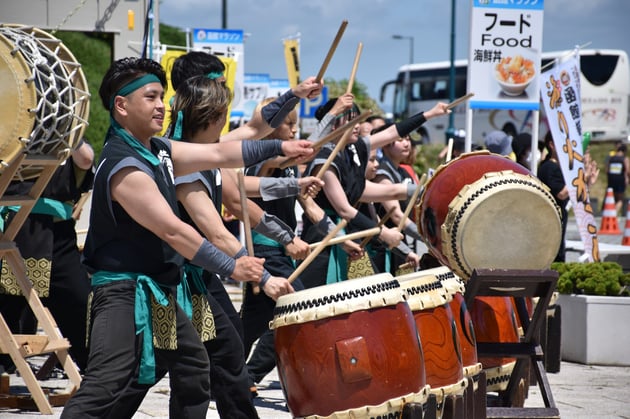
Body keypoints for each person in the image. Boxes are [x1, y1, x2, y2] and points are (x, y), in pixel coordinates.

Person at [60, 57, 315, 418]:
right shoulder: (125, 166)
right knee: (108, 383)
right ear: (122, 105)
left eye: (161, 96)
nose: (161, 104)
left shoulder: (157, 150)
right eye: (150, 97)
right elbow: (174, 231)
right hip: (123, 294)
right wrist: (235, 265)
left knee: (194, 366)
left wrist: (280, 148)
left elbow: (218, 151)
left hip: (157, 292)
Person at [299, 95, 450, 289]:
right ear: (334, 124)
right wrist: (383, 234)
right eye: (350, 120)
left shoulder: (351, 150)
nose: (357, 125)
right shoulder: (325, 160)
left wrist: (430, 114)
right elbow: (345, 210)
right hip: (323, 238)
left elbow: (392, 134)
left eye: (358, 119)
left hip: (347, 238)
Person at [0, 139, 95, 374]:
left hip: (58, 236)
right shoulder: (10, 134)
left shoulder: (66, 139)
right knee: (8, 310)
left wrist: (65, 129)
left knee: (81, 305)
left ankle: (97, 370)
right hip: (15, 231)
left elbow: (86, 158)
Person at [372, 122, 422, 274]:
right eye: (400, 140)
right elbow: (396, 215)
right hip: (384, 244)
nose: (406, 143)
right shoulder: (382, 173)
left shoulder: (402, 172)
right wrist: (426, 238)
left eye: (407, 139)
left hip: (399, 239)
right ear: (385, 144)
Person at [538, 131, 569, 262]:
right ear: (552, 144)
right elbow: (561, 194)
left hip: (557, 215)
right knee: (555, 254)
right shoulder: (550, 167)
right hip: (553, 216)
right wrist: (576, 178)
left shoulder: (556, 167)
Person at [606, 143, 630, 215]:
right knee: (620, 199)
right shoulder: (625, 159)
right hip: (620, 180)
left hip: (611, 180)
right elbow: (628, 170)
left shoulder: (611, 158)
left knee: (612, 198)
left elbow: (607, 170)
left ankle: (610, 212)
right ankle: (613, 214)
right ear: (624, 151)